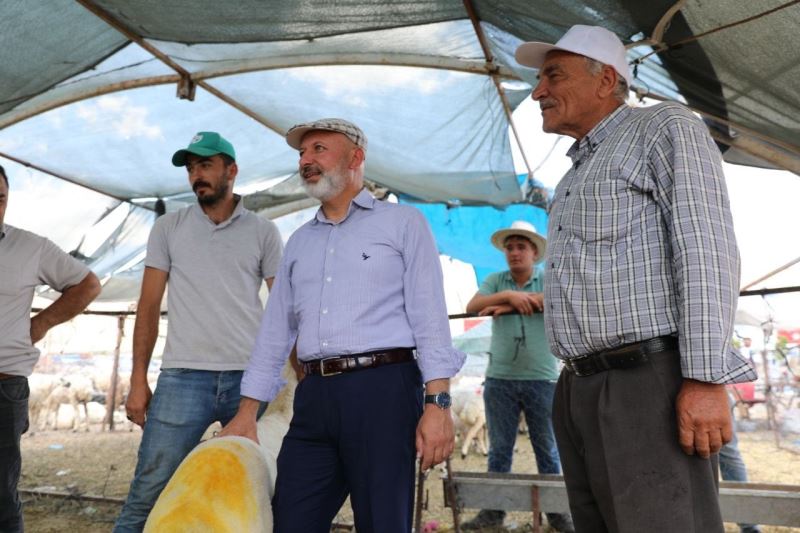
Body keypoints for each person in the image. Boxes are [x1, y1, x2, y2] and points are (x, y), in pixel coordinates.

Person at [514, 25, 757, 532]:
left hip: (647, 381)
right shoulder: (574, 174)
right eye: (539, 81)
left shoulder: (662, 126)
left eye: (553, 76)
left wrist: (705, 378)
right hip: (579, 386)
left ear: (606, 80)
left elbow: (705, 250)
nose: (538, 92)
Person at [220, 118, 465, 532]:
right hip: (313, 395)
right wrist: (247, 411)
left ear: (356, 157)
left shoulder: (403, 223)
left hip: (383, 391)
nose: (306, 160)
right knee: (290, 521)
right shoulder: (299, 242)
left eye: (319, 149)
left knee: (383, 523)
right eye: (302, 153)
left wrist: (437, 404)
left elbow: (430, 317)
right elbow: (276, 331)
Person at [114, 132, 283, 532]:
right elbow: (149, 306)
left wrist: (291, 381)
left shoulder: (263, 231)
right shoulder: (168, 228)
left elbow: (283, 309)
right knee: (148, 490)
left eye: (205, 165)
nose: (196, 175)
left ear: (232, 170)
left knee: (261, 488)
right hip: (182, 377)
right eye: (191, 168)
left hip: (249, 380)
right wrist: (138, 380)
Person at [0, 164, 101, 532]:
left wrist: (40, 324)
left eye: (0, 198)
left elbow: (88, 285)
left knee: (1, 497)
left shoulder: (30, 247)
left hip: (3, 386)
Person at [462, 221, 573, 532]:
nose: (514, 252)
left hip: (542, 378)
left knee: (548, 449)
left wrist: (526, 301)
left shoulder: (547, 278)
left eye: (521, 247)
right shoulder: (496, 280)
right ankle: (494, 512)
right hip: (500, 379)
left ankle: (556, 513)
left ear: (535, 252)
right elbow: (472, 307)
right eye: (509, 247)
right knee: (499, 449)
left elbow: (561, 299)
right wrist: (510, 296)